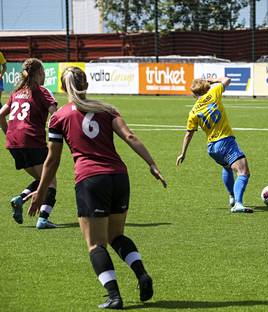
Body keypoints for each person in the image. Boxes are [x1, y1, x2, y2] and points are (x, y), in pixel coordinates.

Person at [27, 66, 167, 309]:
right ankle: (142, 274)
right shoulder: (106, 108)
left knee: (95, 244)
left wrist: (41, 192)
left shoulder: (59, 117)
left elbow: (52, 160)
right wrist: (152, 164)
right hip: (119, 177)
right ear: (87, 85)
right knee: (116, 236)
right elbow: (130, 137)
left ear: (63, 87)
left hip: (90, 180)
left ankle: (114, 296)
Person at [176, 77, 253, 213]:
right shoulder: (213, 92)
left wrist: (183, 153)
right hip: (225, 141)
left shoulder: (193, 112)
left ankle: (232, 196)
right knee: (243, 172)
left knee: (227, 167)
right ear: (206, 87)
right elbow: (227, 79)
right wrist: (213, 80)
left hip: (212, 148)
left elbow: (189, 133)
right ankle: (238, 204)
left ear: (194, 94)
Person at [0, 58, 58, 229]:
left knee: (41, 179)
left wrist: (8, 133)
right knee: (51, 182)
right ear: (39, 73)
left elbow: (0, 114)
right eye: (44, 72)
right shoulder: (42, 92)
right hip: (32, 141)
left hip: (13, 143)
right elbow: (55, 116)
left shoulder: (16, 93)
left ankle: (20, 199)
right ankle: (43, 219)